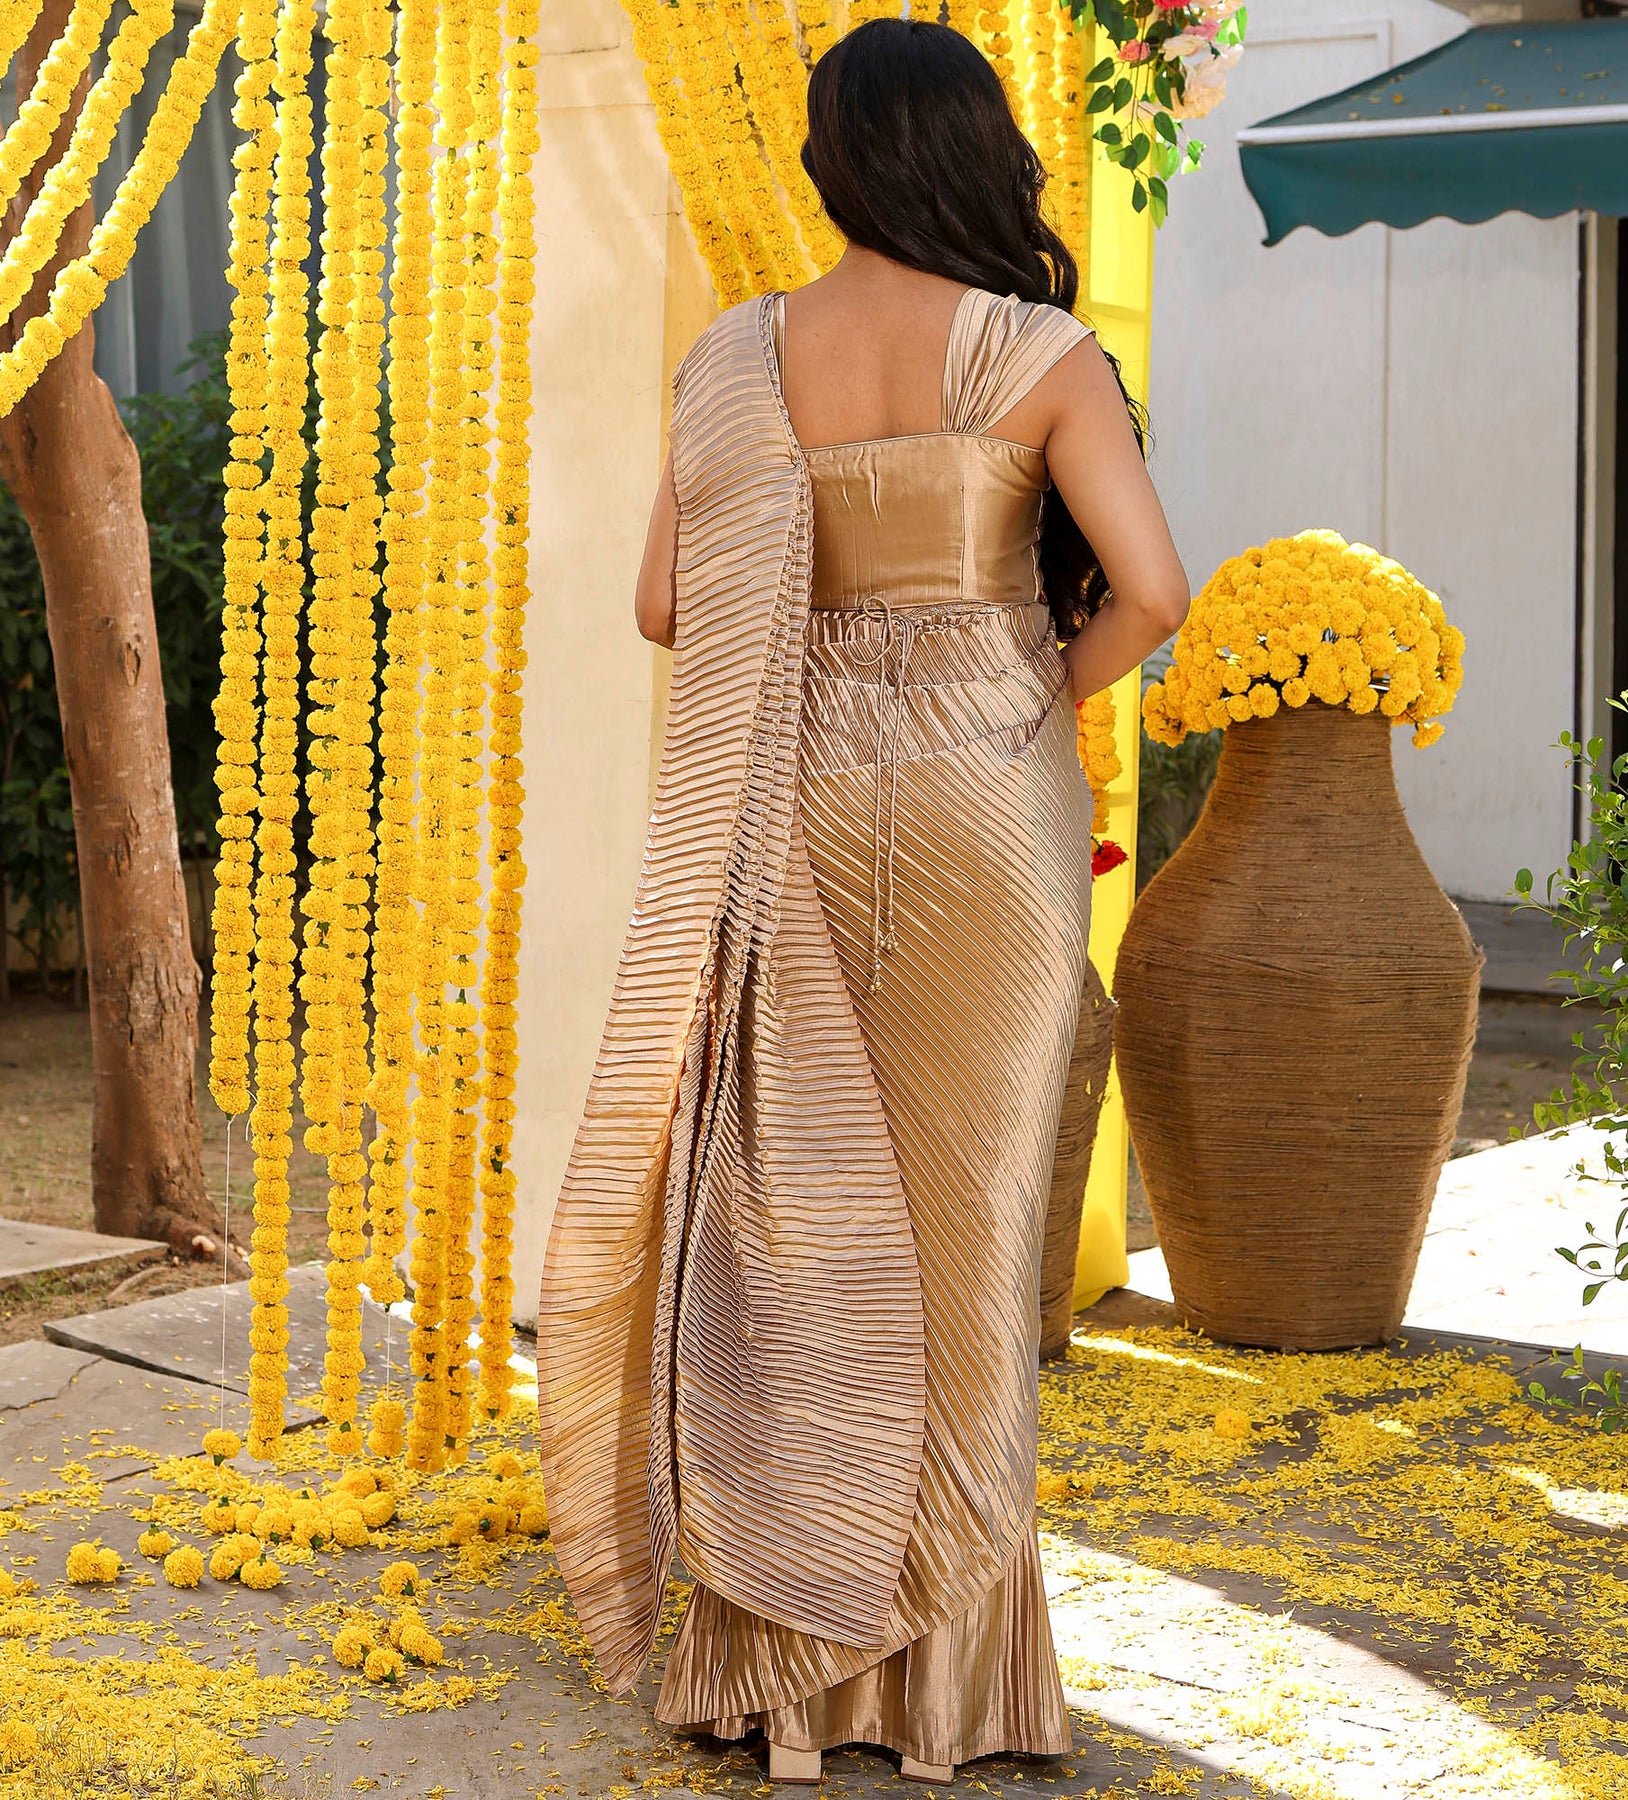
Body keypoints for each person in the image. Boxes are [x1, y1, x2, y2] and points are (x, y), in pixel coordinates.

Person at [536, 16, 1190, 1787]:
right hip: (989, 796)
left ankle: (790, 1663)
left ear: (832, 164)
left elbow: (674, 605)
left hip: (801, 785)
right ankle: (954, 1677)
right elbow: (1151, 591)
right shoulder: (1044, 351)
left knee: (795, 1206)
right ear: (978, 152)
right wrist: (1031, 679)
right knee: (972, 1222)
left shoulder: (737, 355)